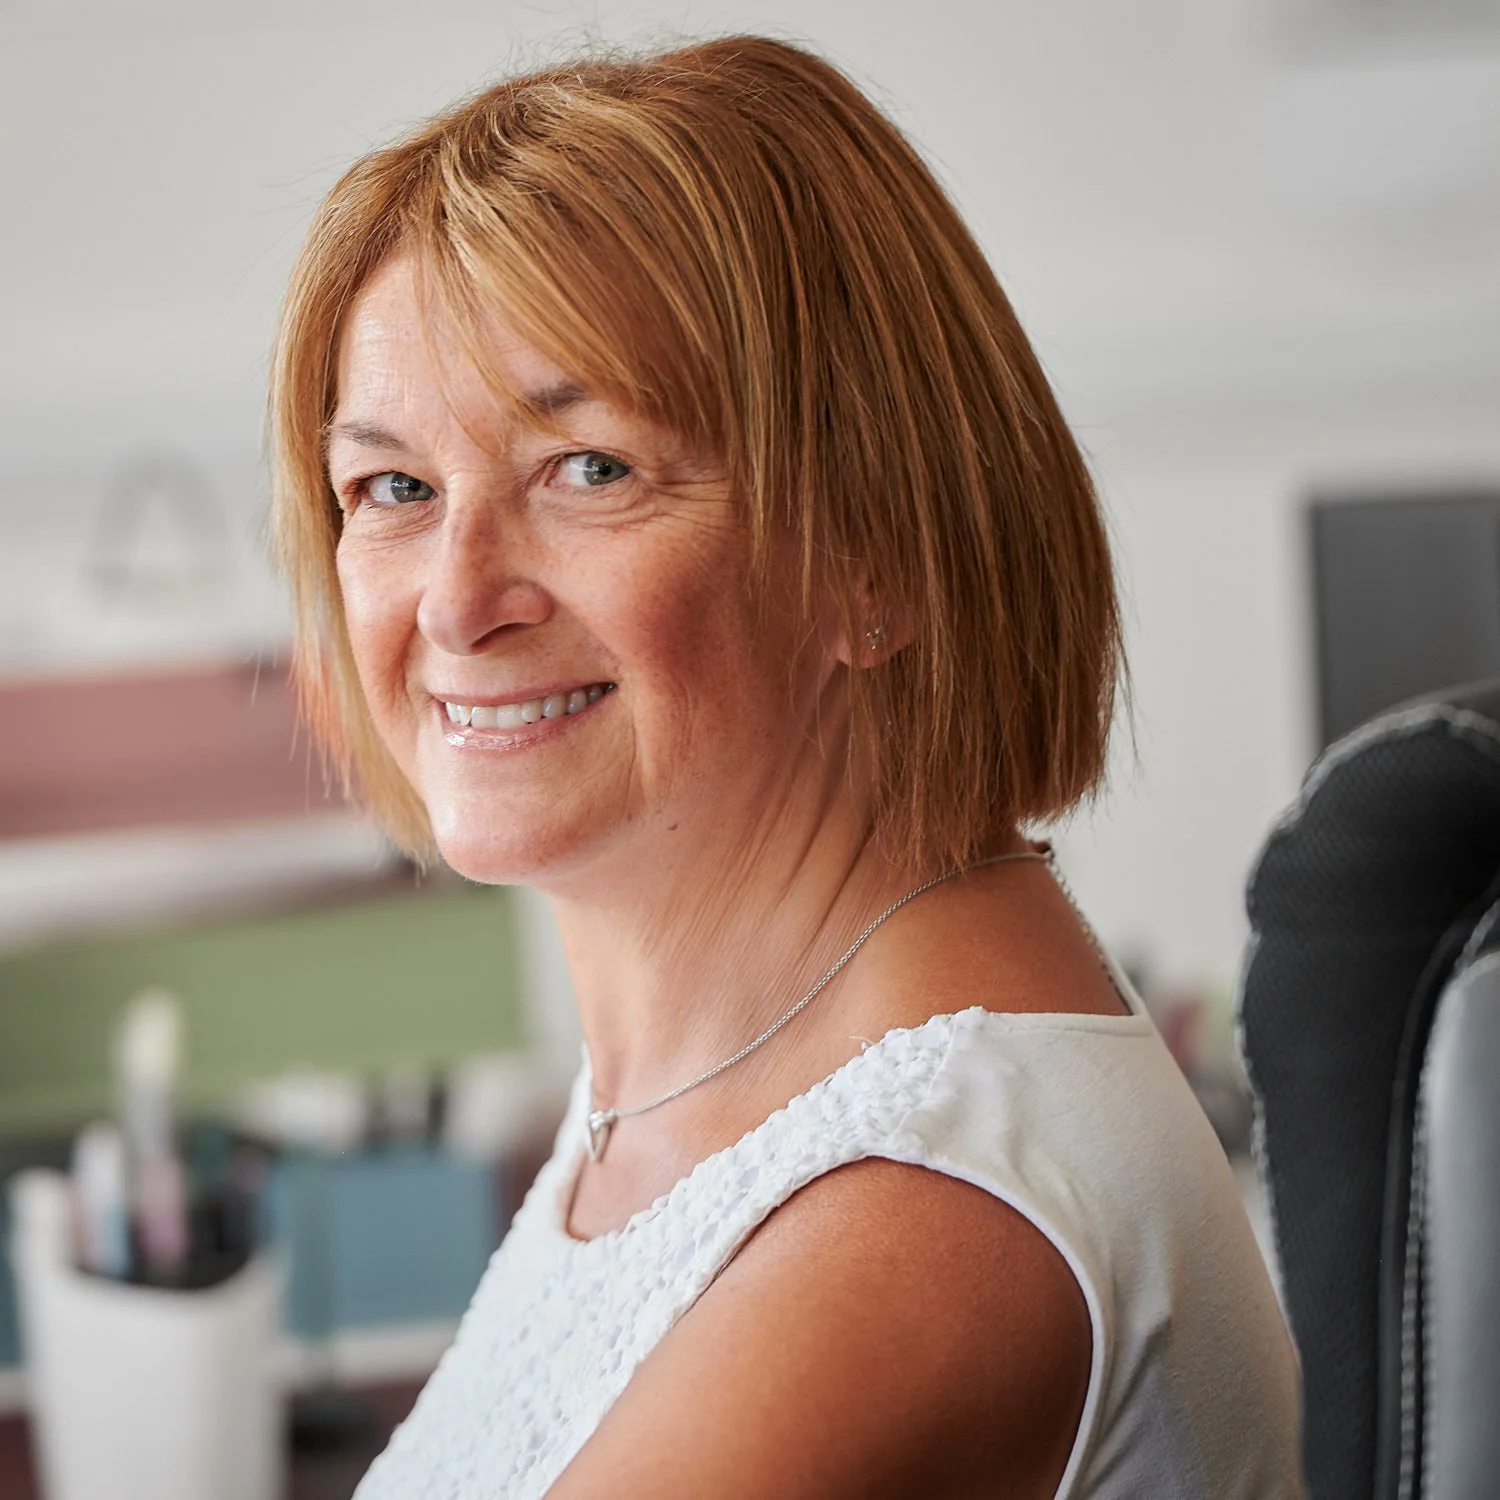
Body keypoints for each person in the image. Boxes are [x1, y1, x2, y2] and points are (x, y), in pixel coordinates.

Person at [271, 33, 1304, 1499]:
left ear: (878, 552)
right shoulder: (718, 1085)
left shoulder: (929, 1209)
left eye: (591, 470)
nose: (452, 598)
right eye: (393, 489)